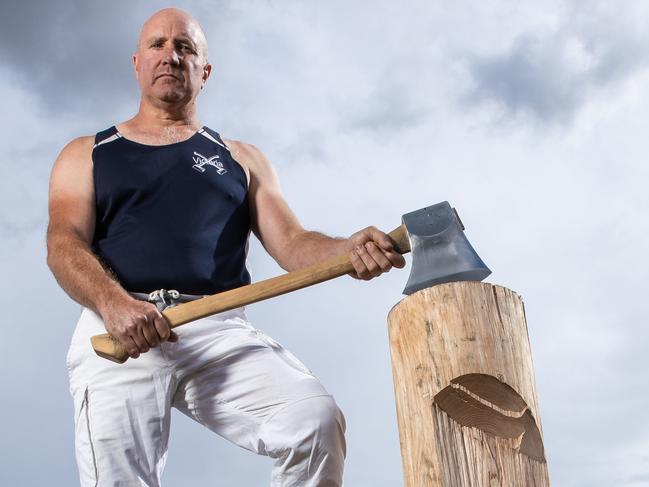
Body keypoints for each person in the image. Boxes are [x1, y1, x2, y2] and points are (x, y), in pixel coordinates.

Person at [46, 8, 405, 487]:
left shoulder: (241, 159)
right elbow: (63, 243)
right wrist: (114, 305)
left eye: (185, 47)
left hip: (216, 325)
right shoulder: (87, 152)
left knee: (314, 423)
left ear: (204, 70)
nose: (170, 56)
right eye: (157, 45)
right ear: (137, 62)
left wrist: (348, 249)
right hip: (117, 332)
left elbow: (294, 244)